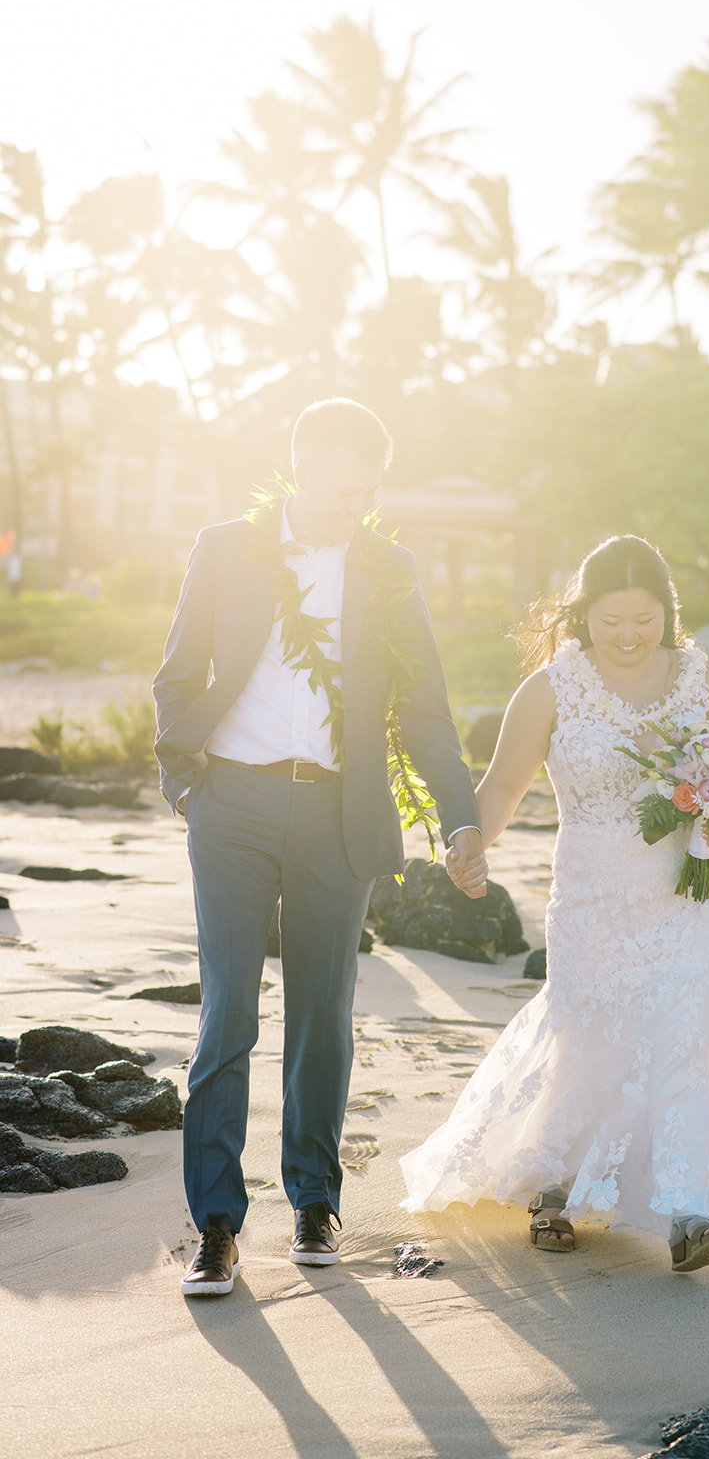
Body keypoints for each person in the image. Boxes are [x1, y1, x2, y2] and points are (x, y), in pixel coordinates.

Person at [154, 398, 488, 1297]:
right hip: (232, 804)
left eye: (370, 489)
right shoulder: (226, 548)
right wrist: (185, 782)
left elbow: (423, 708)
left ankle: (313, 1200)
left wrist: (459, 818)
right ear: (301, 470)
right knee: (227, 1014)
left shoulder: (389, 568)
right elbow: (178, 673)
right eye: (345, 489)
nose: (359, 505)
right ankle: (217, 1225)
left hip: (340, 813)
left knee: (323, 1016)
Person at [400, 535, 709, 1272]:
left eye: (643, 618)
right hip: (593, 895)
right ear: (583, 615)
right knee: (590, 1036)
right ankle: (551, 1190)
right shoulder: (552, 687)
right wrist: (469, 844)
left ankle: (689, 1214)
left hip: (685, 896)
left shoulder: (698, 679)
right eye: (611, 618)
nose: (627, 634)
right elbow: (503, 788)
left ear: (666, 613)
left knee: (685, 1039)